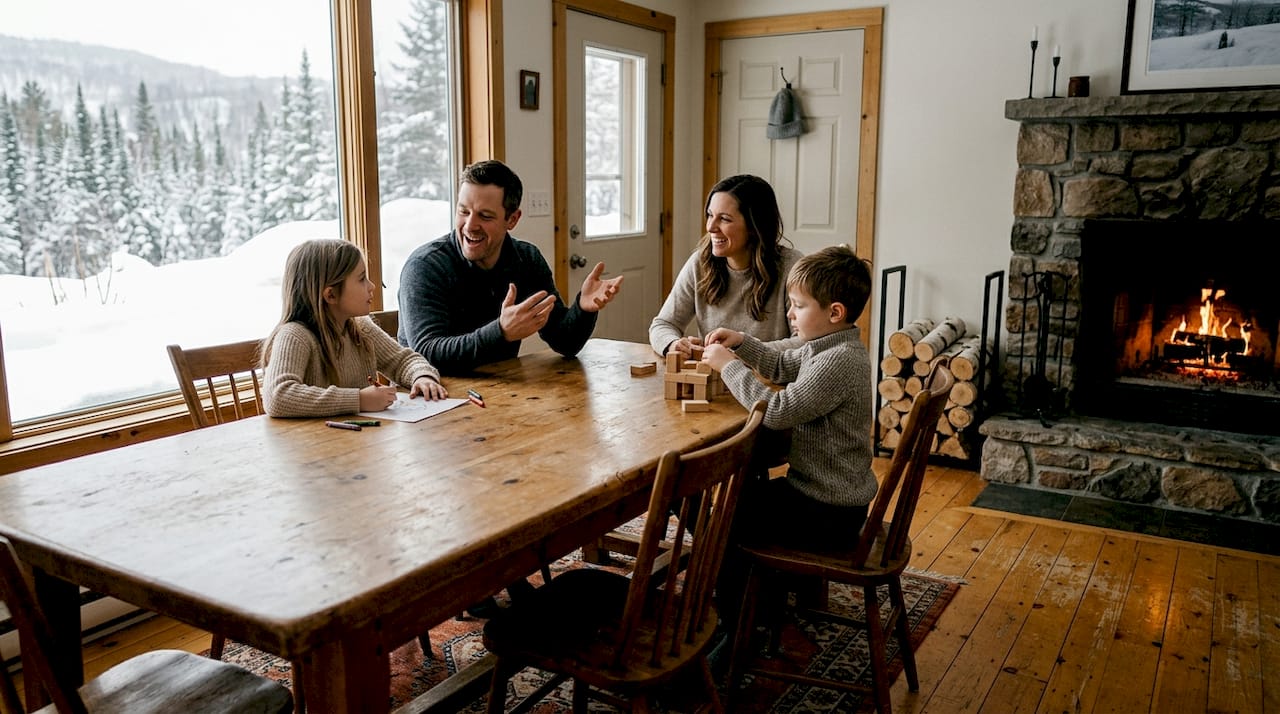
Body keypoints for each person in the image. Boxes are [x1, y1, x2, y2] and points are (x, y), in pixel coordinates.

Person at [702, 244, 874, 551]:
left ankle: (729, 573)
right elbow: (780, 365)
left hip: (829, 512)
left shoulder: (838, 360)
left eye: (799, 306)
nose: (790, 314)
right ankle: (735, 563)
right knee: (734, 497)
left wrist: (728, 366)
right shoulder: (825, 345)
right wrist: (740, 342)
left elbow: (777, 412)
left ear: (835, 312)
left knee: (723, 512)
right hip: (820, 497)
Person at [399, 159, 623, 374]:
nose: (470, 225)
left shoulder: (526, 259)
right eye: (463, 211)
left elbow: (565, 342)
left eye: (485, 216)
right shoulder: (425, 266)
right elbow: (427, 354)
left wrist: (583, 309)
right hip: (432, 393)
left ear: (513, 219)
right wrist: (501, 332)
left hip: (501, 390)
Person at [262, 238, 448, 418]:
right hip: (315, 438)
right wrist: (358, 400)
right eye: (361, 279)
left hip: (361, 435)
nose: (372, 286)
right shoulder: (294, 335)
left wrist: (422, 377)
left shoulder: (361, 327)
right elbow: (277, 397)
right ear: (331, 295)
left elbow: (402, 361)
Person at [648, 174, 803, 358]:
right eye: (710, 215)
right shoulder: (699, 263)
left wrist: (744, 348)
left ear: (754, 226)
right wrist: (673, 344)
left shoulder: (792, 266)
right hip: (714, 374)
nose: (710, 227)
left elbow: (806, 342)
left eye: (725, 219)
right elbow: (663, 324)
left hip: (768, 376)